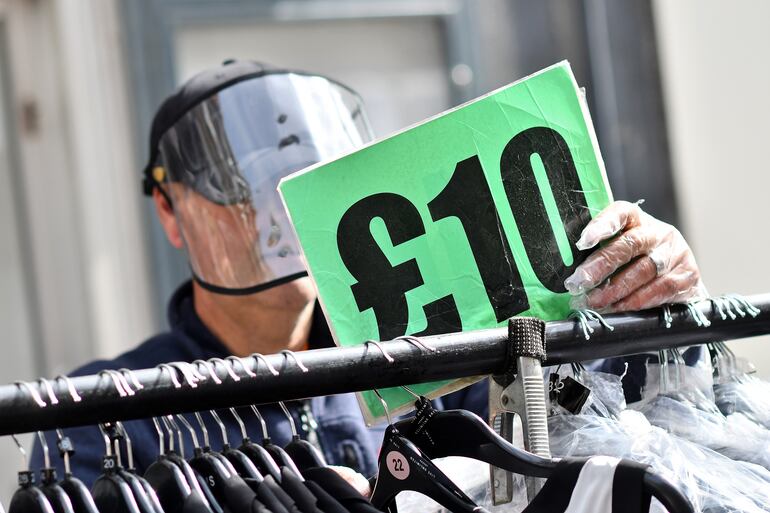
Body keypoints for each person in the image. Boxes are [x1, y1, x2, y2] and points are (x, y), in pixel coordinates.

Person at [30, 60, 704, 487]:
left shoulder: (429, 345)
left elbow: (611, 417)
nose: (278, 210)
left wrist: (661, 309)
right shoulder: (104, 417)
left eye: (300, 183)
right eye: (246, 184)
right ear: (170, 213)